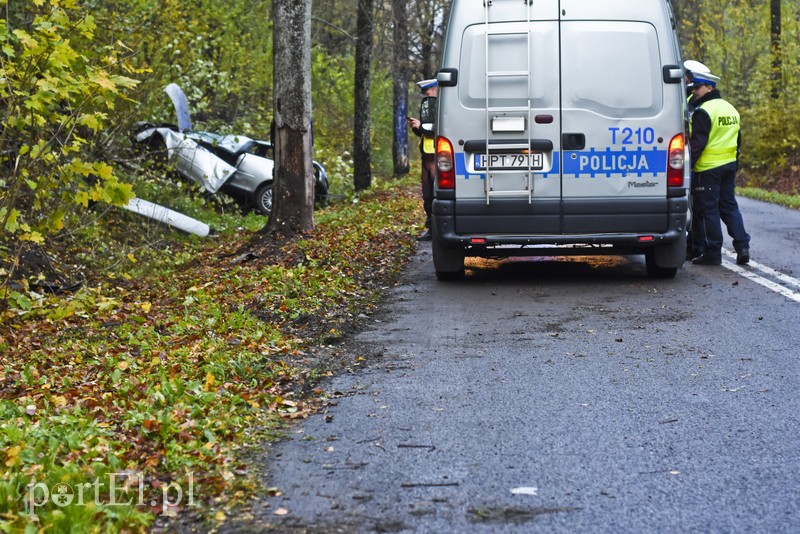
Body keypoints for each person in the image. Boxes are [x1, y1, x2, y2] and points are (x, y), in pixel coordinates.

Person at [685, 63, 751, 266]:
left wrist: (687, 168)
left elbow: (697, 145)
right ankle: (742, 246)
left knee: (709, 210)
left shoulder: (704, 111)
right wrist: (735, 163)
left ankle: (713, 252)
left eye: (698, 87)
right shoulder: (730, 108)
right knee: (729, 206)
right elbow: (737, 140)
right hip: (729, 165)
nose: (694, 91)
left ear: (709, 88)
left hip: (708, 169)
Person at [407, 78, 438, 241]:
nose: (425, 97)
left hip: (437, 157)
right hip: (427, 157)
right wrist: (417, 128)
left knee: (434, 195)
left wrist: (422, 126)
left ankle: (435, 230)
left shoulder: (442, 106)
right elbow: (427, 132)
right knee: (427, 196)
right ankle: (431, 229)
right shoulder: (430, 107)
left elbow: (439, 128)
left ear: (436, 89)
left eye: (427, 93)